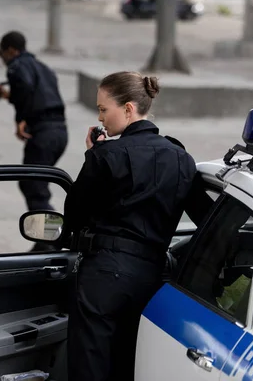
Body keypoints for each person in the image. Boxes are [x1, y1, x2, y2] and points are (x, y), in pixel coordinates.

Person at [63, 71, 197, 380]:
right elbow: (203, 215)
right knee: (135, 362)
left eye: (103, 109)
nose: (100, 118)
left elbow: (73, 216)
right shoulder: (182, 159)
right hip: (155, 277)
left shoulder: (106, 156)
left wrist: (93, 155)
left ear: (127, 109)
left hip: (105, 275)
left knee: (91, 364)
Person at [0, 31, 68, 252]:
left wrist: (20, 119)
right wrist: (7, 94)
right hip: (59, 132)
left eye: (2, 53)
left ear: (11, 50)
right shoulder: (44, 68)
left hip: (43, 133)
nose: (2, 58)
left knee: (33, 185)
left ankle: (50, 239)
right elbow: (33, 94)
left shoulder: (16, 67)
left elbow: (24, 88)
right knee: (35, 183)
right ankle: (48, 238)